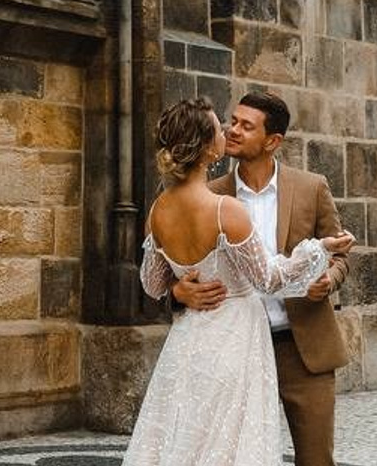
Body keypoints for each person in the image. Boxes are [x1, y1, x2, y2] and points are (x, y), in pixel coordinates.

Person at [131, 98, 354, 466]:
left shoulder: (311, 186)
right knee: (233, 450)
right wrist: (179, 292)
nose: (231, 130)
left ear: (272, 140)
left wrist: (328, 275)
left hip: (296, 347)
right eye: (226, 124)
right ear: (207, 147)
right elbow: (266, 279)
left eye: (244, 125)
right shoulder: (221, 202)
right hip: (237, 348)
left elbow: (150, 281)